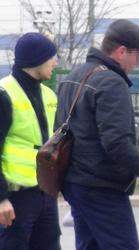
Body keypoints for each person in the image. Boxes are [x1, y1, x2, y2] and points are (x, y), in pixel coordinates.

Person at [55, 19, 139, 250]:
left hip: (75, 184)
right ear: (122, 51)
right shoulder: (111, 83)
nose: (138, 63)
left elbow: (60, 133)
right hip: (101, 187)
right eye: (137, 56)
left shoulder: (73, 77)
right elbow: (117, 145)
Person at [0, 32, 60, 249]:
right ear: (37, 59)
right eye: (52, 56)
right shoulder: (4, 93)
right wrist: (1, 198)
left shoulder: (49, 95)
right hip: (15, 198)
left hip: (45, 194)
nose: (55, 62)